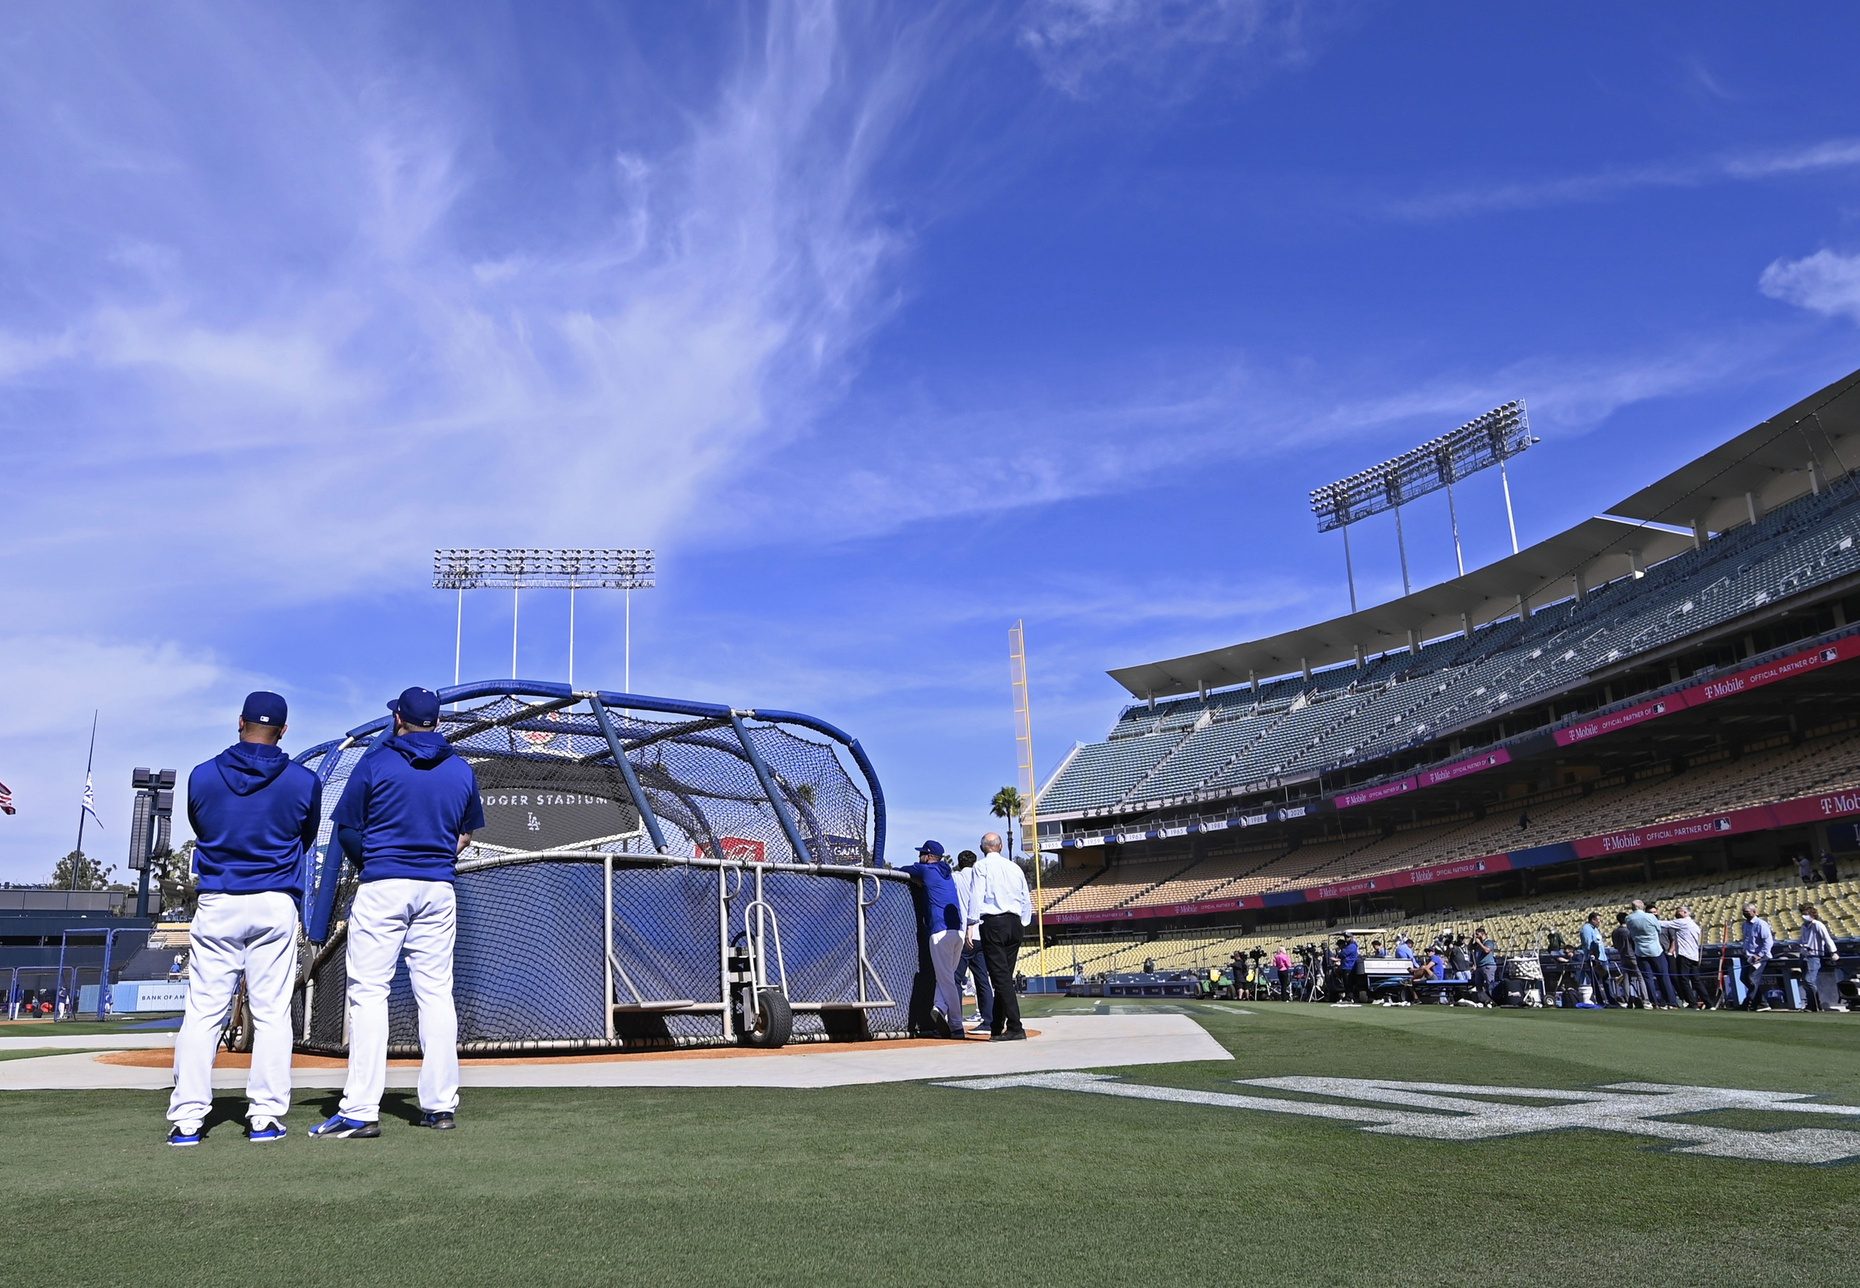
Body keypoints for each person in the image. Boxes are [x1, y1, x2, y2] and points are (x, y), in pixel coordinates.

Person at [311, 686, 483, 1139]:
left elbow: (347, 829)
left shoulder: (376, 761)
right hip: (437, 887)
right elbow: (464, 836)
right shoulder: (461, 770)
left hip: (385, 883)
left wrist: (373, 862)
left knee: (369, 994)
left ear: (400, 720)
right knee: (435, 993)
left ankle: (361, 1110)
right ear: (438, 723)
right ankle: (441, 1106)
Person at [167, 691, 322, 1147]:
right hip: (274, 900)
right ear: (284, 730)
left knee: (203, 1013)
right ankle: (265, 1118)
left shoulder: (202, 776)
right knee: (272, 1013)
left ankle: (189, 1119)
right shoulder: (303, 781)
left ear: (240, 722)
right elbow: (305, 836)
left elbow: (203, 826)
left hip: (219, 899)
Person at [899, 841, 966, 1038]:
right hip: (957, 933)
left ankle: (957, 1026)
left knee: (946, 980)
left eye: (922, 854)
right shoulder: (947, 872)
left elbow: (903, 870)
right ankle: (939, 1007)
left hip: (940, 932)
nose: (919, 856)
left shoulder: (927, 869)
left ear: (928, 856)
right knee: (944, 976)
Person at [969, 832, 1032, 1041]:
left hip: (994, 923)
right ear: (1001, 846)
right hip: (1014, 923)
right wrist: (1022, 922)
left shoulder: (981, 867)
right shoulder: (1014, 867)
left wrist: (970, 924)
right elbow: (1025, 897)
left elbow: (976, 896)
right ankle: (997, 1026)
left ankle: (1015, 1026)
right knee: (1003, 977)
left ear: (982, 848)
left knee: (1000, 978)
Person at [950, 850, 993, 1033]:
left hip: (964, 933)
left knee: (956, 980)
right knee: (982, 979)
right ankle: (988, 1020)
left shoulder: (955, 877)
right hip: (981, 934)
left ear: (959, 863)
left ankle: (956, 1021)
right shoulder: (982, 877)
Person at [1623, 900, 1677, 1009]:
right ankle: (1671, 1002)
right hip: (1655, 949)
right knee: (1663, 976)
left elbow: (1630, 931)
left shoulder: (1628, 918)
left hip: (1640, 950)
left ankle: (1654, 1002)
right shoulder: (1650, 917)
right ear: (1642, 907)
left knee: (1647, 978)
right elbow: (1658, 930)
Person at [1796, 903, 1841, 1013]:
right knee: (1805, 982)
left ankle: (1815, 1005)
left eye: (1806, 914)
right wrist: (1798, 945)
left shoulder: (1818, 925)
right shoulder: (1804, 926)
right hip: (1804, 955)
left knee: (1809, 980)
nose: (1804, 916)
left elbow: (1827, 938)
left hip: (1814, 956)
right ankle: (1810, 1004)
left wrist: (1833, 952)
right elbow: (1802, 939)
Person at [1659, 905, 1706, 1008]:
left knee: (1683, 979)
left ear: (1685, 912)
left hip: (1684, 954)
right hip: (1694, 955)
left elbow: (1665, 924)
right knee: (1696, 980)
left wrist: (1650, 920)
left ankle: (1692, 1003)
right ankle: (1709, 1002)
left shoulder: (1682, 922)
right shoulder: (1694, 925)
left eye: (1678, 911)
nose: (1676, 913)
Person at [1739, 903, 1775, 1012]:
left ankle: (1749, 1003)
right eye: (1744, 912)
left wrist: (1760, 955)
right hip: (1748, 956)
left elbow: (1768, 942)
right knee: (1744, 978)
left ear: (1754, 912)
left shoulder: (1761, 924)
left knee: (1752, 979)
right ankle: (1762, 1002)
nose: (1745, 914)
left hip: (1759, 957)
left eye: (1747, 912)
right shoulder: (1744, 925)